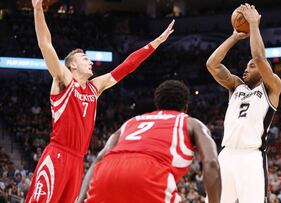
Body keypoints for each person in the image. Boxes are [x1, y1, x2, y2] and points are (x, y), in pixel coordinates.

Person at [26, 0, 175, 202]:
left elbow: (127, 66)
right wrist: (37, 8)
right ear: (72, 66)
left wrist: (154, 43)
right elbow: (45, 44)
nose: (89, 61)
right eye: (84, 58)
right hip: (57, 156)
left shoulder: (95, 87)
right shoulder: (63, 79)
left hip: (78, 162)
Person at [76, 80, 221, 203]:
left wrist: (79, 199)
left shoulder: (131, 122)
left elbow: (99, 159)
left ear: (157, 105)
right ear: (186, 107)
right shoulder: (191, 123)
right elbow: (212, 162)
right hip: (148, 172)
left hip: (105, 173)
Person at [206, 4, 281, 203]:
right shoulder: (236, 86)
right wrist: (234, 37)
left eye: (251, 67)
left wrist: (254, 25)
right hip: (226, 154)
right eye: (246, 66)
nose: (245, 70)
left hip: (251, 158)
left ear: (264, 69)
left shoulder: (272, 87)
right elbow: (212, 65)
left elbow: (258, 57)